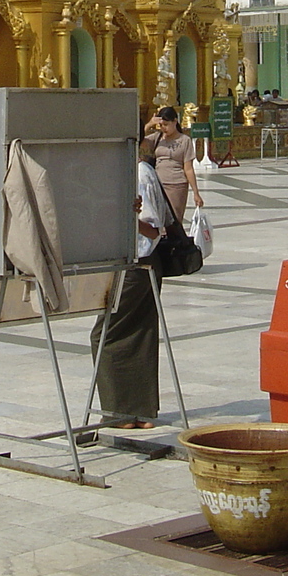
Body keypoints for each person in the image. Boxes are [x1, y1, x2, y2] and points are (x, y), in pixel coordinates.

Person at [89, 158, 171, 429]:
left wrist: (122, 215)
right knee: (140, 332)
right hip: (139, 263)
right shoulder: (130, 169)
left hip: (138, 264)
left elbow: (153, 228)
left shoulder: (136, 172)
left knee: (105, 335)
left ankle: (118, 411)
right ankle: (142, 412)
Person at [144, 106, 201, 220]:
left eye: (166, 124)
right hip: (158, 184)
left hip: (176, 185)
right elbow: (139, 139)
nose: (163, 128)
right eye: (161, 125)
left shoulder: (185, 140)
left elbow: (188, 168)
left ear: (175, 121)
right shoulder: (157, 137)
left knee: (174, 219)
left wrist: (196, 192)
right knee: (157, 219)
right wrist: (150, 124)